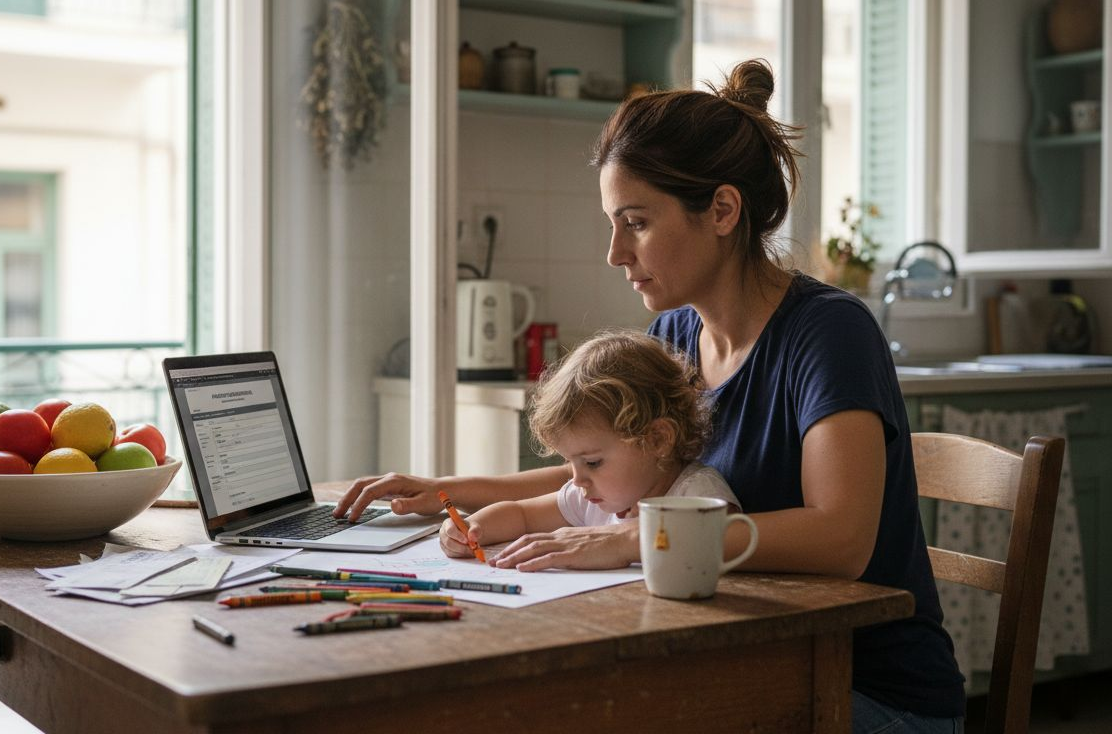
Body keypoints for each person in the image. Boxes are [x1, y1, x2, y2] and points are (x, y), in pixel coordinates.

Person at [335, 59, 965, 729]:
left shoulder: (828, 333)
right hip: (745, 661)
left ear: (722, 210)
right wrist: (447, 491)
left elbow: (841, 538)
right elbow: (605, 470)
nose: (614, 252)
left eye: (635, 222)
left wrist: (634, 542)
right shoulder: (674, 334)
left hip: (863, 690)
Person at [439, 329, 739, 563]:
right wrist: (472, 528)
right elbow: (522, 515)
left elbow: (721, 543)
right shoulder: (592, 496)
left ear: (657, 439)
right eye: (571, 462)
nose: (576, 479)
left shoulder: (698, 495)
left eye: (592, 462)